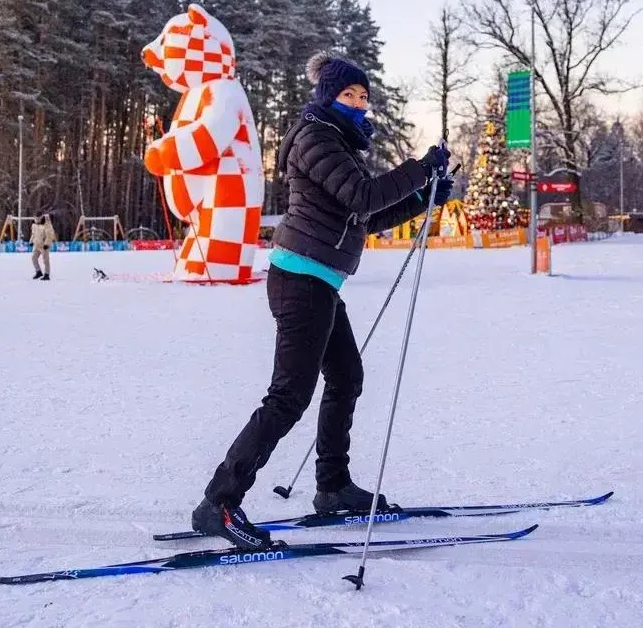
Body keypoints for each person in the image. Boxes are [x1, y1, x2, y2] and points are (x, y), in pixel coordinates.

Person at [191, 51, 454, 549]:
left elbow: (365, 217)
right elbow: (362, 197)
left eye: (363, 96)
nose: (358, 103)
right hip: (299, 281)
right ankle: (219, 503)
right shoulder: (315, 138)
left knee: (347, 377)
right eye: (349, 94)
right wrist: (421, 170)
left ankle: (332, 487)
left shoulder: (337, 142)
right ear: (327, 96)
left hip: (320, 282)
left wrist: (423, 198)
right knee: (289, 395)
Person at [29, 214, 55, 280]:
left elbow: (50, 235)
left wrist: (47, 244)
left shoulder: (47, 224)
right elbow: (33, 234)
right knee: (33, 258)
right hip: (36, 244)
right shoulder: (34, 224)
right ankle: (38, 272)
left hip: (44, 246)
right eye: (35, 218)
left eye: (38, 218)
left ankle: (47, 274)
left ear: (41, 217)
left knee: (46, 260)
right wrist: (31, 241)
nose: (37, 219)